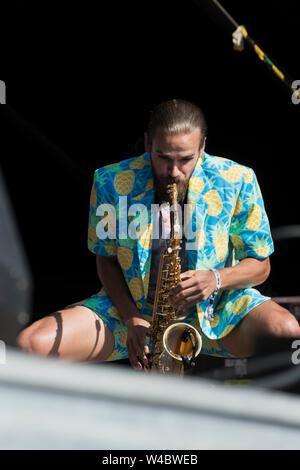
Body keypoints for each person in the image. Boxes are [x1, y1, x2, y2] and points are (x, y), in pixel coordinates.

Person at [16, 99, 300, 370]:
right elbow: (106, 260)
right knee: (30, 344)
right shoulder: (110, 181)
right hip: (133, 313)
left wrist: (215, 279)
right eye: (163, 157)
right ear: (148, 142)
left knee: (287, 332)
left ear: (203, 147)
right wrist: (131, 318)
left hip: (218, 312)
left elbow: (261, 266)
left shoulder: (238, 179)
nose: (174, 171)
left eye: (185, 159)